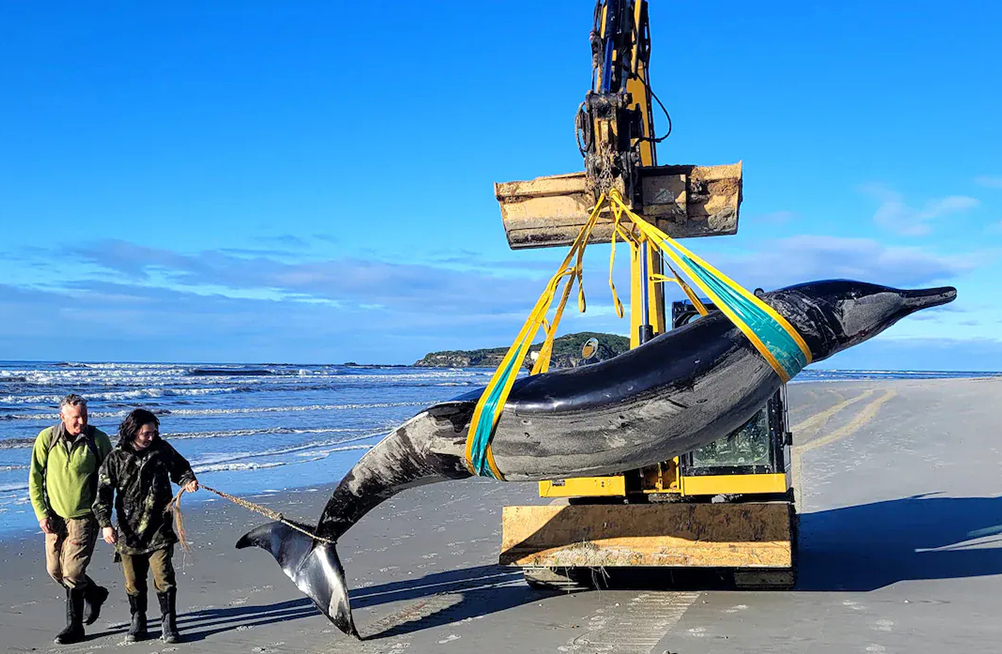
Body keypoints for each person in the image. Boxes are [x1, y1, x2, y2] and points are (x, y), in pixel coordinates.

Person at [93, 409, 198, 643]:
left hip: (160, 527)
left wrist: (188, 480)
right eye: (146, 433)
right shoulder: (116, 458)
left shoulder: (162, 450)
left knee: (164, 576)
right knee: (133, 582)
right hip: (128, 532)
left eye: (154, 432)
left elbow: (180, 468)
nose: (151, 437)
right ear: (133, 432)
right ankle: (138, 620)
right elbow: (103, 494)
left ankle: (168, 622)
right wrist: (105, 525)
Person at [28, 393, 113, 644]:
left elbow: (109, 481)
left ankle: (75, 627)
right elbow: (35, 478)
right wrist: (41, 513)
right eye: (75, 417)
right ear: (62, 416)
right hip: (54, 517)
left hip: (85, 516)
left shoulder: (98, 440)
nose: (81, 421)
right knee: (55, 571)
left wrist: (105, 518)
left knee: (73, 573)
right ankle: (95, 593)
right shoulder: (47, 438)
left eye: (85, 416)